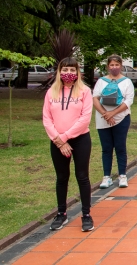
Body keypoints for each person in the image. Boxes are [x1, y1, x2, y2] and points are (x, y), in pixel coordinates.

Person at [43, 57, 94, 232]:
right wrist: (58, 140)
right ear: (59, 72)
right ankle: (61, 214)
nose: (68, 73)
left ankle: (86, 214)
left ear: (77, 72)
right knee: (61, 177)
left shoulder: (85, 91)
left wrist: (65, 137)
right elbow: (47, 119)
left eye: (72, 70)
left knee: (82, 176)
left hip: (80, 139)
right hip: (57, 141)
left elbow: (84, 119)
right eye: (65, 70)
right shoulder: (51, 92)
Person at [92, 54, 135, 189]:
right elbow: (95, 98)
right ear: (108, 66)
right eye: (112, 65)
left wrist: (113, 114)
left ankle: (122, 175)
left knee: (120, 147)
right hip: (103, 119)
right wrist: (105, 114)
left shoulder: (127, 82)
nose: (114, 67)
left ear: (121, 66)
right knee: (106, 149)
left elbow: (129, 101)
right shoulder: (101, 81)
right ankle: (107, 177)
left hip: (121, 118)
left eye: (117, 65)